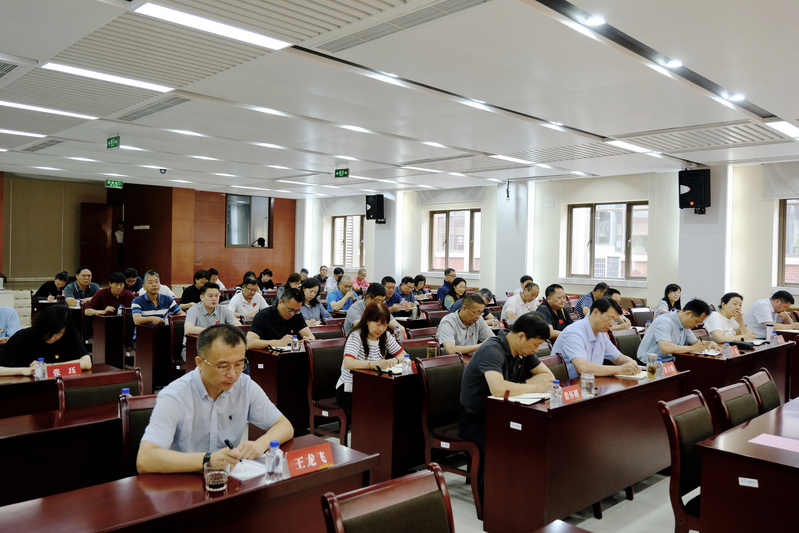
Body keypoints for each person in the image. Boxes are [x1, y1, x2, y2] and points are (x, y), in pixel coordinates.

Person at [136, 324, 293, 474]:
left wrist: (261, 444)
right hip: (183, 480)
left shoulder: (244, 385)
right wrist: (208, 460)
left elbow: (284, 426)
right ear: (200, 363)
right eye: (223, 366)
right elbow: (145, 459)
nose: (233, 374)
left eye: (239, 364)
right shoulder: (175, 396)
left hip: (229, 479)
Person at [458, 313, 555, 498]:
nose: (536, 350)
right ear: (521, 336)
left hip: (504, 414)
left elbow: (548, 377)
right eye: (535, 344)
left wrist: (517, 387)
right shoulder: (492, 349)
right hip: (476, 418)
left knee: (536, 438)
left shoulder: (522, 351)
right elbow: (498, 389)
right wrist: (532, 386)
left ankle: (525, 493)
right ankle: (492, 501)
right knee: (504, 446)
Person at [335, 302, 409, 409]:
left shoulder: (385, 336)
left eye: (385, 325)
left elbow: (403, 355)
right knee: (381, 405)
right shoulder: (356, 336)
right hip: (350, 388)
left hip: (374, 386)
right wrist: (373, 364)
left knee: (400, 399)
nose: (381, 329)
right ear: (367, 321)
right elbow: (348, 363)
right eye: (378, 324)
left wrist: (395, 360)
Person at [552, 297, 641, 378]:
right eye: (609, 318)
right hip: (567, 386)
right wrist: (620, 369)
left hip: (590, 383)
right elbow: (582, 368)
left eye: (614, 320)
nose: (611, 324)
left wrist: (631, 363)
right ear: (595, 312)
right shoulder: (574, 333)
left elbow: (618, 358)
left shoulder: (600, 333)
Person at [0, 305, 91, 376]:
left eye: (58, 333)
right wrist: (25, 370)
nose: (52, 337)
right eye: (48, 331)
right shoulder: (23, 336)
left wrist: (48, 367)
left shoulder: (70, 335)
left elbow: (87, 363)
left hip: (60, 385)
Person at [637, 298, 720, 364]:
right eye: (697, 322)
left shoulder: (685, 324)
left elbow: (695, 343)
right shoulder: (664, 321)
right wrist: (691, 348)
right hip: (649, 364)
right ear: (688, 314)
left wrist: (708, 343)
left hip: (670, 362)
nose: (696, 325)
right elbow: (665, 347)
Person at [183, 283, 240, 359]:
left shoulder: (223, 309)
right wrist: (214, 331)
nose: (214, 299)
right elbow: (188, 329)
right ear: (202, 297)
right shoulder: (193, 310)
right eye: (210, 296)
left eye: (216, 296)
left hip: (218, 349)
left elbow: (238, 326)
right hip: (194, 349)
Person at [246, 288, 316, 349]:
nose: (292, 314)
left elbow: (311, 336)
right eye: (290, 310)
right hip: (268, 356)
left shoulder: (297, 315)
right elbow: (249, 343)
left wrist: (306, 341)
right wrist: (279, 342)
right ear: (280, 302)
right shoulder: (263, 315)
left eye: (296, 311)